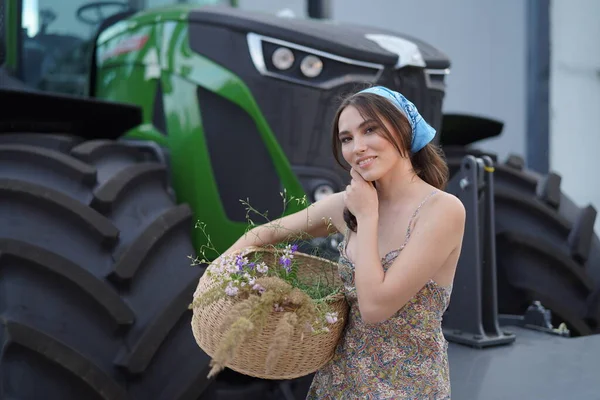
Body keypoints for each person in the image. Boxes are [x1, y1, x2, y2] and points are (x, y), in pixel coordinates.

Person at [224, 85, 465, 399]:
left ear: (404, 129)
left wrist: (367, 217)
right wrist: (218, 279)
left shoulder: (442, 210)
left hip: (408, 389)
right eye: (347, 139)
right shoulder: (346, 206)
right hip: (337, 386)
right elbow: (262, 234)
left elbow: (376, 307)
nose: (358, 147)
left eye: (369, 130)